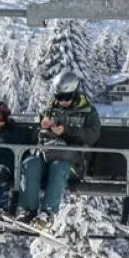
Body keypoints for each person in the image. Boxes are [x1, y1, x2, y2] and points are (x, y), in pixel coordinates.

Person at [15, 71, 101, 226]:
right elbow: (35, 136)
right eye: (59, 97)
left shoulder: (88, 112)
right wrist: (43, 129)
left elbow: (92, 135)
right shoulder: (48, 110)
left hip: (73, 163)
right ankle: (28, 211)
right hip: (47, 155)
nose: (63, 101)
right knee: (30, 163)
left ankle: (47, 214)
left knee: (58, 166)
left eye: (67, 97)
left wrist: (67, 131)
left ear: (75, 93)